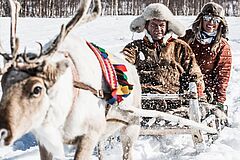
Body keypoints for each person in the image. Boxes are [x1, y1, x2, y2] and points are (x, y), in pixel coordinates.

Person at [121, 3, 205, 113]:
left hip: (174, 102)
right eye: (153, 25)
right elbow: (123, 64)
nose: (158, 29)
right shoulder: (135, 47)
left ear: (167, 27)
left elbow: (194, 73)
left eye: (161, 25)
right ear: (146, 26)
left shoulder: (180, 47)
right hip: (143, 101)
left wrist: (199, 92)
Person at [181, 2, 232, 112]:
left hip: (206, 91)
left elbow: (222, 77)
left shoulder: (222, 46)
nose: (211, 23)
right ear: (201, 19)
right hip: (182, 86)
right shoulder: (187, 37)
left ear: (220, 24)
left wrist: (219, 101)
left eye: (216, 20)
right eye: (208, 18)